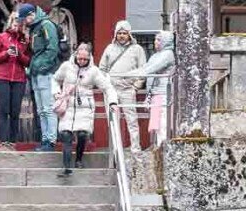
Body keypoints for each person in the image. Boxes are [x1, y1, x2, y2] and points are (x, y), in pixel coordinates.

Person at [52, 43, 119, 176]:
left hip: (85, 107)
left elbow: (107, 87)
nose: (82, 61)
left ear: (89, 58)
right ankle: (66, 166)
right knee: (66, 134)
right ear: (76, 55)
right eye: (80, 58)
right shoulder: (66, 66)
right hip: (68, 104)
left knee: (83, 134)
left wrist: (112, 102)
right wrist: (56, 93)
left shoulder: (94, 71)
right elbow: (55, 79)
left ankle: (78, 159)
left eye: (85, 59)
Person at [119, 30, 175, 148]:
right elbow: (145, 67)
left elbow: (151, 69)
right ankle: (157, 146)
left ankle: (162, 147)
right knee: (156, 123)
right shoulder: (155, 55)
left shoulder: (168, 54)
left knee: (163, 122)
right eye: (156, 39)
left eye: (159, 40)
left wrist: (130, 75)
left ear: (166, 41)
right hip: (155, 93)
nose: (156, 42)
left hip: (164, 92)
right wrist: (128, 74)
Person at [98, 20, 147, 152]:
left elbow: (143, 69)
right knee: (113, 119)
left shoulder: (137, 50)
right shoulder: (109, 48)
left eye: (124, 33)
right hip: (112, 89)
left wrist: (136, 86)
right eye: (119, 33)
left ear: (129, 34)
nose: (121, 35)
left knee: (132, 119)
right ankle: (115, 147)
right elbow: (102, 68)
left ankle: (135, 147)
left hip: (128, 89)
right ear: (115, 34)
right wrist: (105, 84)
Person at [19, 3, 61, 152]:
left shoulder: (46, 25)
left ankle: (51, 140)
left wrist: (42, 66)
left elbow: (52, 48)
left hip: (46, 72)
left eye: (25, 19)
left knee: (48, 108)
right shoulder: (35, 28)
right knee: (41, 110)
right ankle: (45, 139)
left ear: (31, 14)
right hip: (36, 72)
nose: (24, 22)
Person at [0, 13, 31, 151]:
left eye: (19, 23)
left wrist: (19, 55)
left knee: (15, 111)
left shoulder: (25, 40)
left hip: (19, 79)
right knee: (4, 110)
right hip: (2, 78)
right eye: (14, 22)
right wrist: (6, 53)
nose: (16, 25)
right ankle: (3, 142)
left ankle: (12, 142)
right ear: (10, 22)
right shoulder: (2, 37)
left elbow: (28, 61)